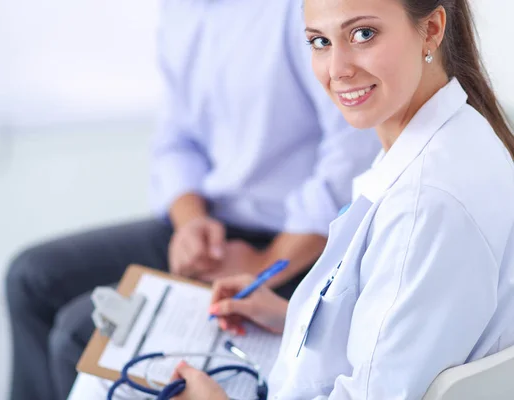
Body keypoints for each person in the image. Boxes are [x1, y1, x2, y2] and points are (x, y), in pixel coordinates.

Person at [4, 0, 379, 399]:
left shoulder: (298, 12)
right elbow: (175, 138)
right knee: (30, 277)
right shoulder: (179, 11)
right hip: (212, 223)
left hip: (296, 244)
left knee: (81, 334)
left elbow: (351, 156)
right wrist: (190, 223)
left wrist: (265, 262)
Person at [167, 0, 514, 399]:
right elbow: (402, 328)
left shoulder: (426, 203)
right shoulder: (452, 138)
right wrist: (293, 320)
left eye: (363, 34)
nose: (337, 69)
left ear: (432, 29)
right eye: (320, 41)